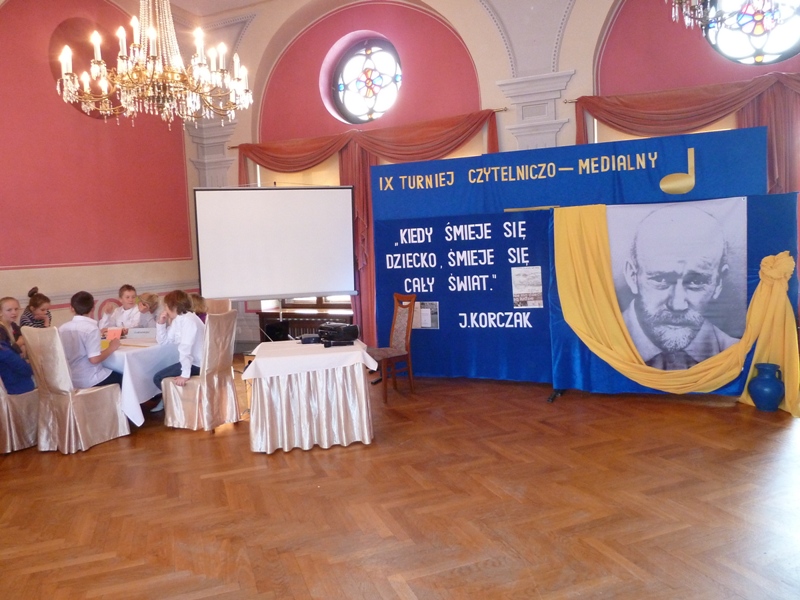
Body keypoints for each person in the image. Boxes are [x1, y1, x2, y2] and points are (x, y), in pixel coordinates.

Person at [621, 205, 739, 370]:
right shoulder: (596, 347)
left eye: (696, 282)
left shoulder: (738, 354)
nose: (677, 305)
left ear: (719, 283)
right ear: (632, 276)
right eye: (661, 279)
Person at [150, 290, 205, 412]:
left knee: (158, 378)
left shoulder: (188, 320)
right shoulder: (179, 320)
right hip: (194, 362)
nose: (165, 309)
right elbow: (164, 341)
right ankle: (176, 400)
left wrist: (185, 374)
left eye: (165, 306)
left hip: (199, 364)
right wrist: (161, 324)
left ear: (172, 306)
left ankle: (181, 404)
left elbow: (186, 348)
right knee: (159, 375)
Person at [59, 291, 123, 388]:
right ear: (93, 308)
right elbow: (94, 359)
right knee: (125, 377)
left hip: (71, 379)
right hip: (91, 379)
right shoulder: (91, 328)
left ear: (71, 308)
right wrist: (111, 347)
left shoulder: (62, 328)